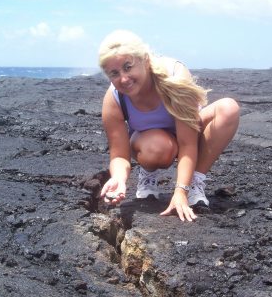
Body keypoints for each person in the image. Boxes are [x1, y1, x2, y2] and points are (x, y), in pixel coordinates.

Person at [98, 30, 240, 222]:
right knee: (160, 146)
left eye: (128, 67)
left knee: (228, 108)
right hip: (148, 143)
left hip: (187, 133)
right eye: (114, 73)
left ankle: (195, 183)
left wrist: (181, 191)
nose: (123, 79)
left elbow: (188, 143)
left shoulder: (175, 77)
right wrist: (119, 179)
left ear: (145, 60)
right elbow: (120, 156)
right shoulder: (114, 98)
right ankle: (148, 175)